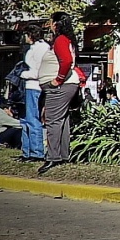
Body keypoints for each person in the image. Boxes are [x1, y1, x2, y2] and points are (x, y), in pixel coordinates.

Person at [39, 12, 82, 175]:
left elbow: (67, 61)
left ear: (56, 24)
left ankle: (53, 157)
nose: (49, 25)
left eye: (50, 22)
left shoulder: (60, 40)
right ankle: (62, 155)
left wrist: (58, 80)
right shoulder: (65, 40)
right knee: (62, 120)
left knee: (53, 121)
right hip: (66, 86)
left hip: (61, 87)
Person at [19, 23, 55, 162]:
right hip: (28, 86)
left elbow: (40, 70)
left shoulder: (41, 48)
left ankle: (37, 152)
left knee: (33, 119)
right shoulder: (34, 48)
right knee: (25, 120)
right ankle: (27, 151)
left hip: (35, 85)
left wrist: (24, 74)